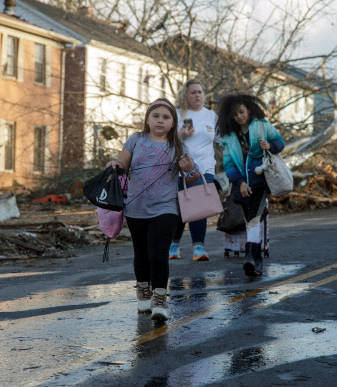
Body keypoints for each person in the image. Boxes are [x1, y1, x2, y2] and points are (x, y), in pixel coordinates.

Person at [106, 98, 199, 321]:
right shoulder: (136, 140)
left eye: (166, 117)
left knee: (158, 253)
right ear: (147, 119)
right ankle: (143, 292)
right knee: (142, 253)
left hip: (166, 207)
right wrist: (113, 166)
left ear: (173, 123)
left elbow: (193, 176)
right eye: (156, 116)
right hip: (135, 207)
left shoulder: (177, 145)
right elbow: (122, 165)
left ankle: (159, 299)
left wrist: (189, 168)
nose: (160, 121)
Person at [216, 94, 285, 276]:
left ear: (248, 110)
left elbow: (281, 143)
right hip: (242, 185)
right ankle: (257, 262)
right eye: (235, 114)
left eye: (241, 112)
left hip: (261, 182)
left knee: (254, 218)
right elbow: (229, 165)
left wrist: (269, 145)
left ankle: (249, 256)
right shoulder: (229, 137)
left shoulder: (262, 126)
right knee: (250, 220)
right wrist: (240, 183)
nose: (239, 116)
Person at [168, 79, 218, 262]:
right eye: (193, 92)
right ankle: (174, 244)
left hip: (205, 167)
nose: (198, 95)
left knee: (199, 204)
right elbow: (165, 139)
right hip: (181, 166)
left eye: (200, 92)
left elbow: (221, 138)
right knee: (182, 206)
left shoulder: (211, 116)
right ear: (185, 95)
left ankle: (198, 246)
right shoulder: (176, 114)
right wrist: (180, 136)